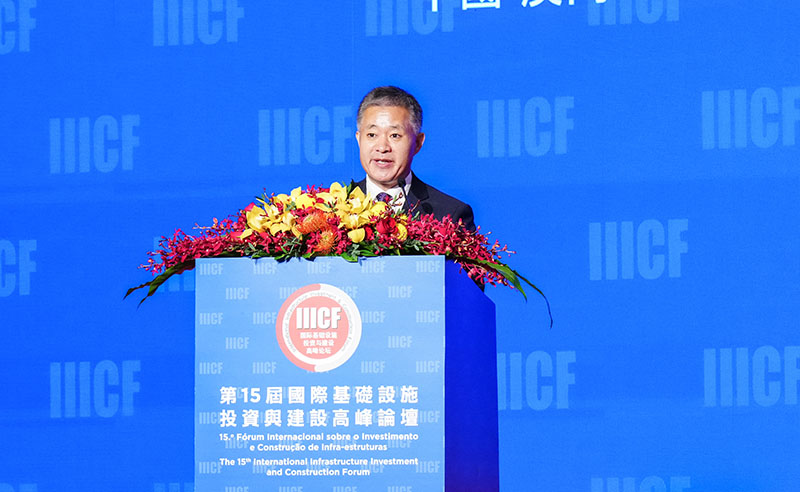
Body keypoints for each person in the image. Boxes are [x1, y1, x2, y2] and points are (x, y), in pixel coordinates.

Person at [353, 86, 476, 231]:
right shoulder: (333, 209)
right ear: (359, 139)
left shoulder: (450, 216)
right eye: (372, 135)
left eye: (395, 135)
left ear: (417, 143)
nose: (382, 147)